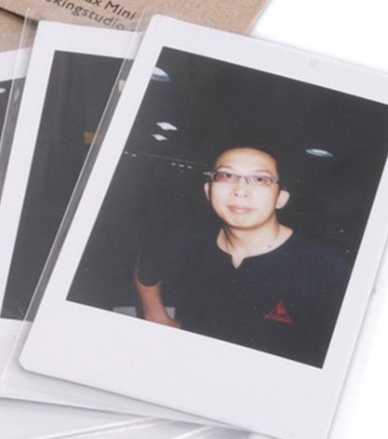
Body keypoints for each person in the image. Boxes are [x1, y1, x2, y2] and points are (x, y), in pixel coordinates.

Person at [134, 146, 348, 367]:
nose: (240, 190)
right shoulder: (189, 242)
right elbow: (148, 266)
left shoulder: (326, 268)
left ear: (281, 198)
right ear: (208, 190)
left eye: (260, 179)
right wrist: (156, 316)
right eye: (227, 176)